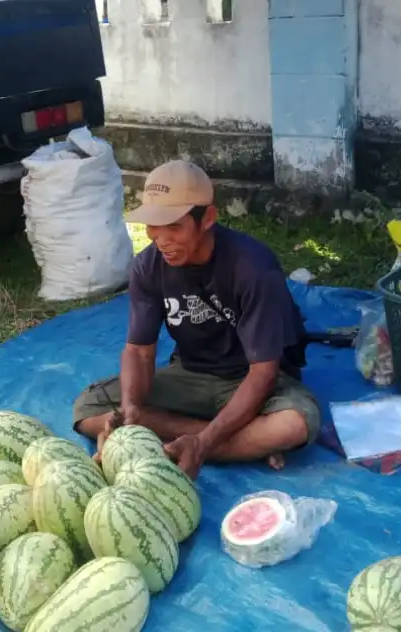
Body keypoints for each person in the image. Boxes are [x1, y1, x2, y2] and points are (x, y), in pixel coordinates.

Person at [72, 159, 320, 478]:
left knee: (294, 424)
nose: (161, 240)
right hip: (191, 373)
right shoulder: (148, 266)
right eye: (153, 226)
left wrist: (204, 442)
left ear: (207, 219)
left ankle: (194, 444)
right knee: (87, 409)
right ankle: (238, 444)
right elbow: (139, 351)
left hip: (251, 381)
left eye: (174, 226)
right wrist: (132, 411)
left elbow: (263, 374)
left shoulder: (253, 267)